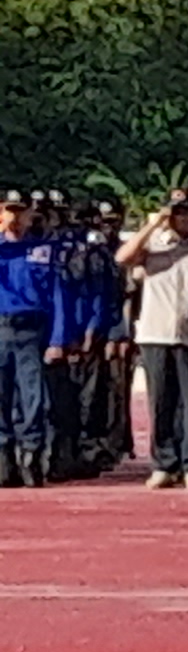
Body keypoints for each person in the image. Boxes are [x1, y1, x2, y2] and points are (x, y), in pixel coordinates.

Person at [117, 194, 188, 489]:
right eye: (175, 213)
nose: (180, 218)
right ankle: (164, 463)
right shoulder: (152, 248)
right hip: (156, 334)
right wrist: (151, 225)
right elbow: (122, 257)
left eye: (186, 213)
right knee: (161, 402)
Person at [0, 194, 62, 487]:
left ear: (28, 216)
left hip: (31, 330)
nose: (14, 218)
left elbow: (58, 296)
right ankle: (3, 458)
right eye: (8, 211)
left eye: (19, 212)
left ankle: (31, 455)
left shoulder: (43, 250)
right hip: (0, 327)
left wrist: (58, 339)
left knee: (33, 397)